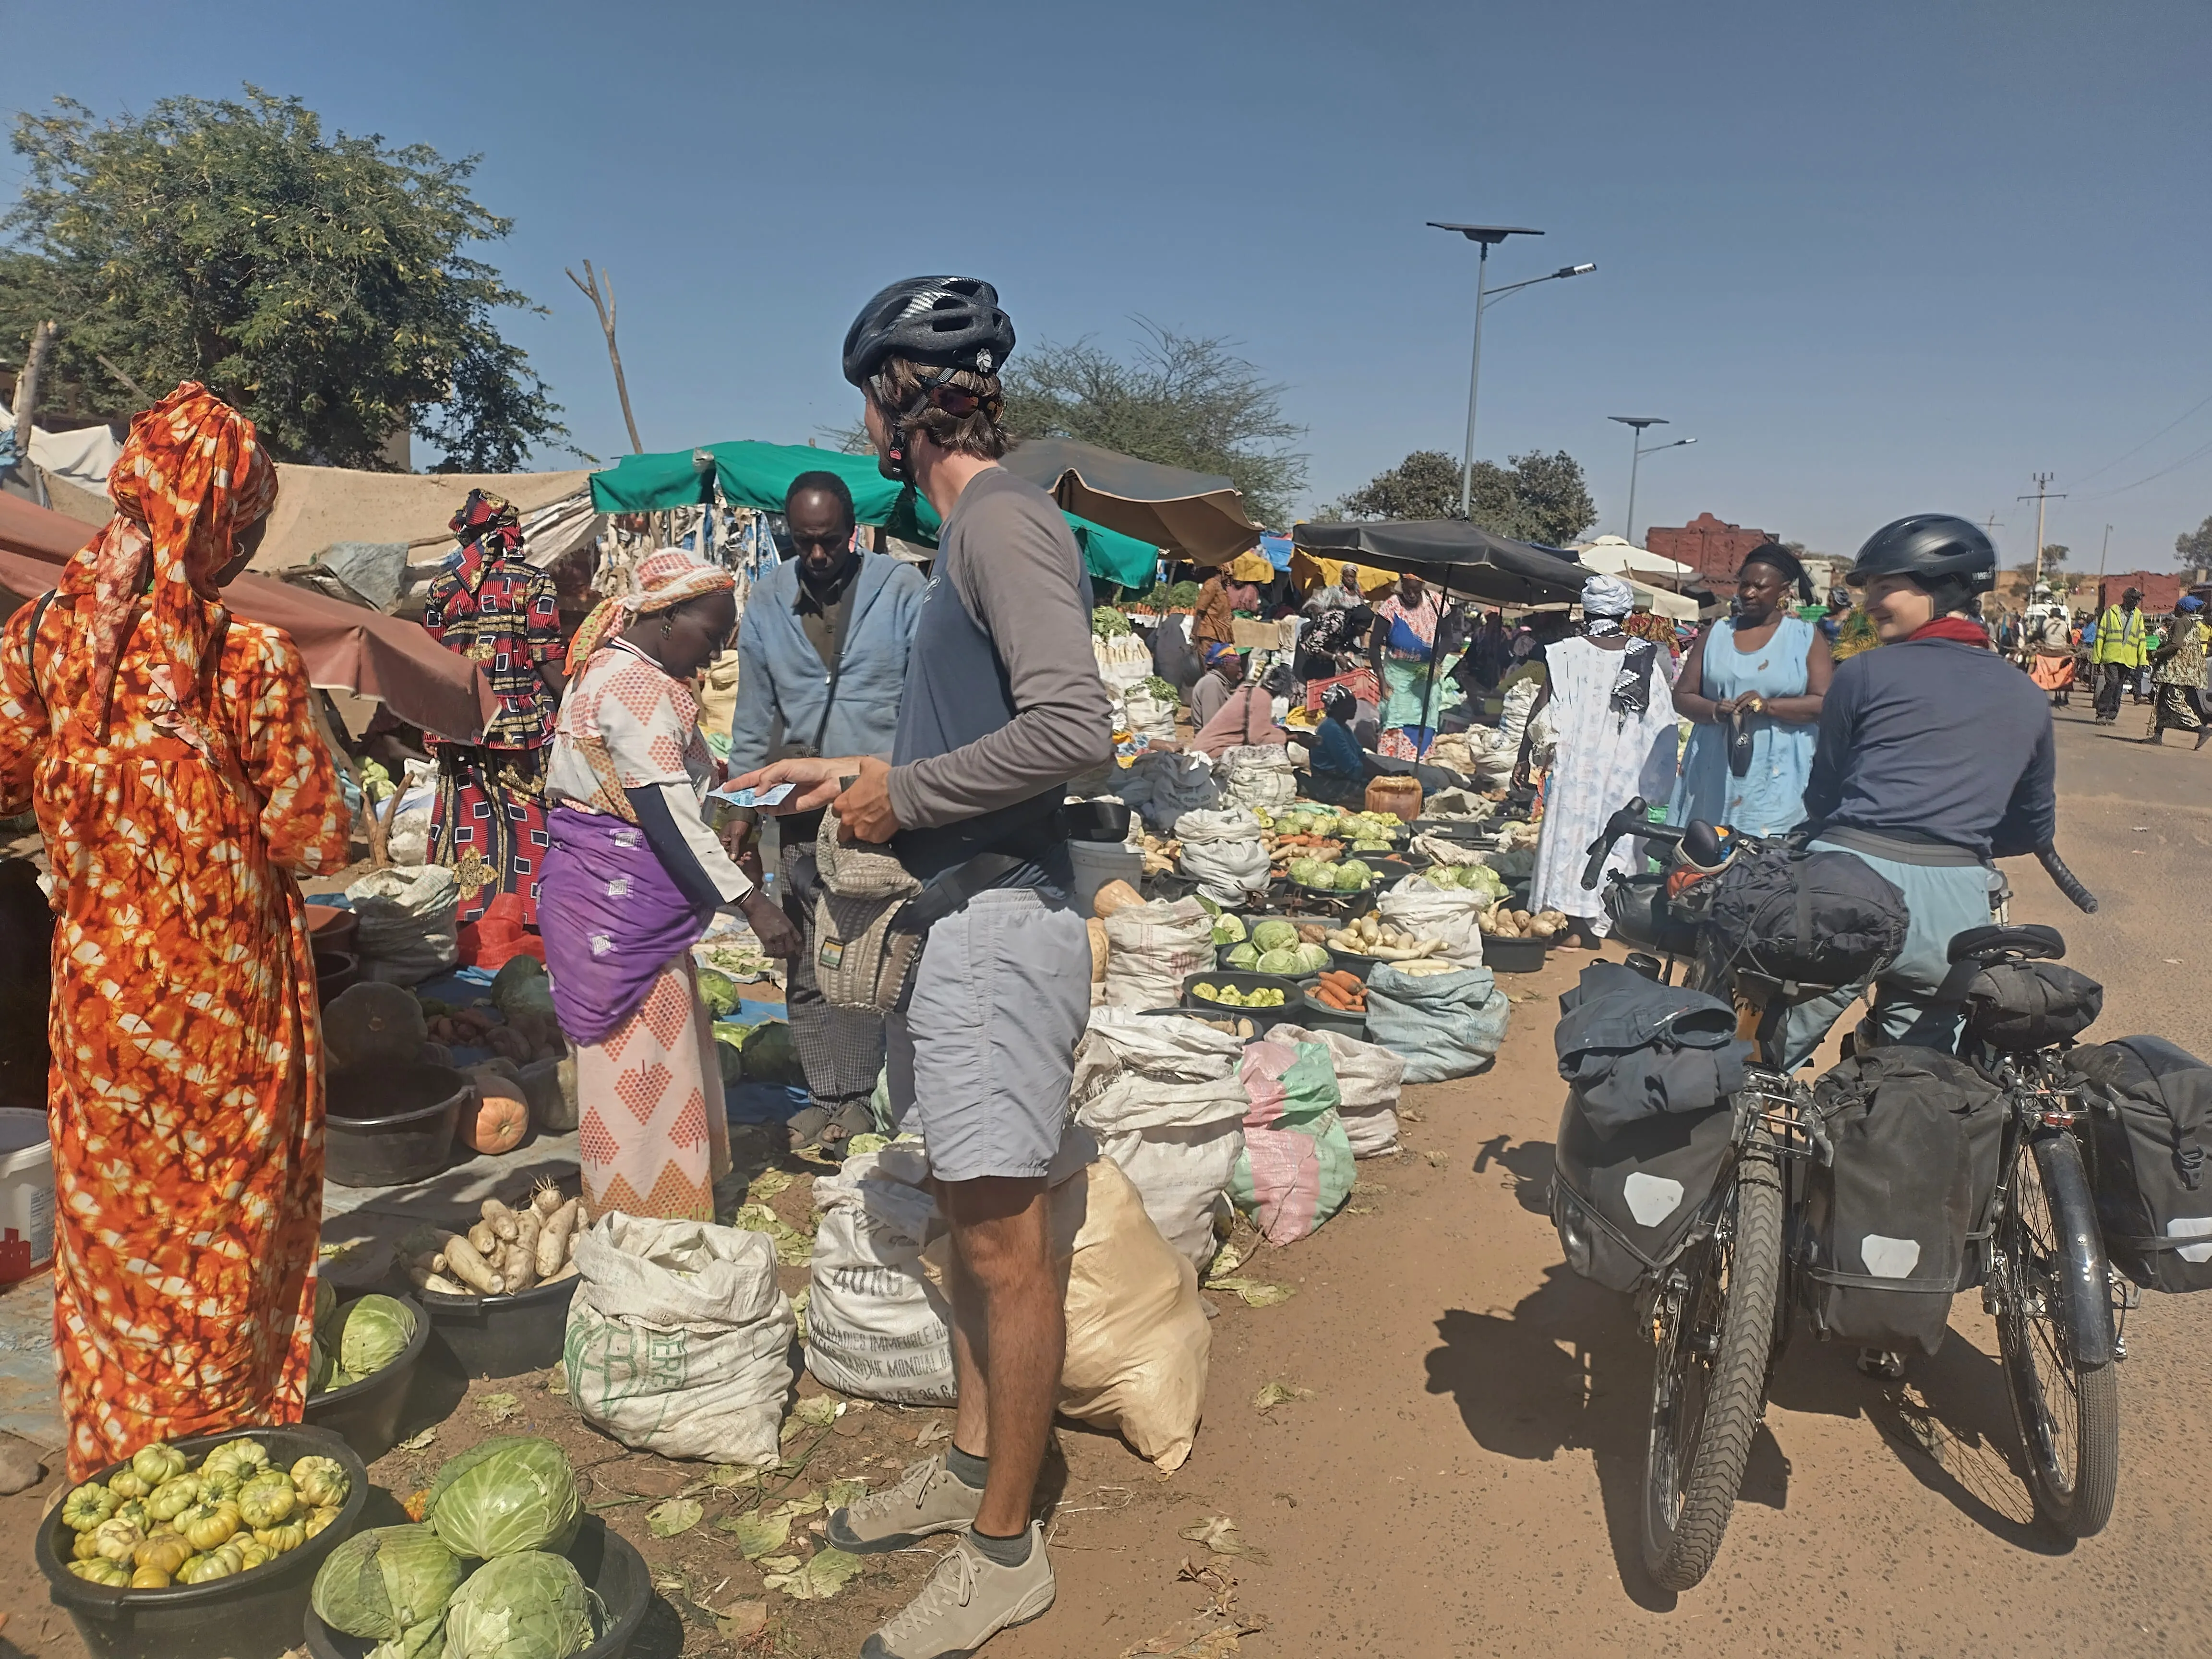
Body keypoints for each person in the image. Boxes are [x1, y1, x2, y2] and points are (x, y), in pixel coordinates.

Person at [739, 276, 1112, 1659]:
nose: (860, 425)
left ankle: (1005, 1551)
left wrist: (906, 793)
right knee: (969, 1227)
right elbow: (963, 743)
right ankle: (966, 1468)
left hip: (1006, 923)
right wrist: (841, 773)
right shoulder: (969, 530)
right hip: (966, 917)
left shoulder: (1002, 521)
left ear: (901, 402)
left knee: (1006, 1251)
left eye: (867, 402)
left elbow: (1075, 721)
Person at [0, 384, 351, 1479]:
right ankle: (225, 1423)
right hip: (226, 1001)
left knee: (117, 1218)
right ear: (225, 515)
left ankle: (129, 1437)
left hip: (104, 988)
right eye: (247, 521)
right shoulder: (248, 655)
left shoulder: (39, 634)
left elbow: (8, 772)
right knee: (229, 1208)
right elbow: (313, 833)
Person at [537, 551, 802, 1221]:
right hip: (621, 896)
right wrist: (754, 906)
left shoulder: (608, 667)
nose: (712, 657)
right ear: (667, 618)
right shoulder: (638, 687)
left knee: (645, 1044)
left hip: (599, 892)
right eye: (709, 637)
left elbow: (673, 791)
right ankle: (650, 1211)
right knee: (645, 1050)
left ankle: (649, 1195)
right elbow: (666, 815)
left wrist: (737, 809)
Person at [1779, 516, 2055, 1070]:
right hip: (1956, 911)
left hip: (1847, 889)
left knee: (1764, 1056)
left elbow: (1824, 794)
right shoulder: (2028, 695)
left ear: (1943, 588)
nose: (1870, 602)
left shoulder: (1863, 674)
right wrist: (1950, 834)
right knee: (1921, 1084)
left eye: (1885, 587)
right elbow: (2031, 827)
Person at [725, 471, 926, 1152]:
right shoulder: (768, 597)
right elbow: (755, 715)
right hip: (800, 810)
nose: (817, 557)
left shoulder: (900, 591)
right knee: (808, 959)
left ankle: (869, 1097)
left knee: (873, 959)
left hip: (881, 803)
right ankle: (825, 1095)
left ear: (855, 534)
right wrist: (742, 810)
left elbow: (928, 698)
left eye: (830, 542)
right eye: (803, 542)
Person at [419, 489, 565, 935]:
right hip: (519, 722)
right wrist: (576, 704)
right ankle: (529, 917)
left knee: (466, 818)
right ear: (507, 533)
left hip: (458, 724)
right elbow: (546, 656)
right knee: (528, 816)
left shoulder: (441, 589)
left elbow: (430, 660)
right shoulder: (534, 581)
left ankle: (466, 917)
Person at [1523, 576, 1683, 945]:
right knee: (1616, 837)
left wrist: (1524, 759)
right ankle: (1605, 919)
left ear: (1586, 610)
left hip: (1574, 768)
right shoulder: (1643, 656)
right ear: (1626, 613)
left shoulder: (1562, 653)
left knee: (1569, 835)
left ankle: (1568, 921)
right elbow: (1663, 724)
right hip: (1624, 768)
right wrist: (1655, 785)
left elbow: (1542, 708)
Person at [1670, 543, 1832, 836]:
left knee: (1767, 858)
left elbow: (1824, 703)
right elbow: (1682, 697)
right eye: (1744, 584)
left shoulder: (1806, 638)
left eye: (1759, 587)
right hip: (1716, 767)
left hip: (1778, 770)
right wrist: (1714, 711)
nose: (1748, 593)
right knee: (1708, 854)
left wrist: (1770, 707)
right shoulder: (1715, 634)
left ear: (1784, 591)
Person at [1369, 573, 1467, 758]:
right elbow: (1374, 646)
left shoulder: (1437, 603)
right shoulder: (1391, 606)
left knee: (1424, 723)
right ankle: (1392, 769)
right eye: (1407, 590)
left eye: (1416, 590)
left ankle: (1419, 768)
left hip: (1425, 678)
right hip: (1396, 678)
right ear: (1401, 585)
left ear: (1423, 586)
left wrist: (1436, 663)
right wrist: (1382, 680)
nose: (1411, 595)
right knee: (1394, 721)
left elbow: (1447, 638)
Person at [2148, 594, 2210, 748]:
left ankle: (2202, 730)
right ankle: (2157, 735)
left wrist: (2158, 653)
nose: (2174, 609)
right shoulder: (2193, 624)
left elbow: (2176, 645)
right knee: (2161, 702)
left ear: (2182, 608)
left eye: (2177, 607)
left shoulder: (2181, 623)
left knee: (2175, 702)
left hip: (2176, 673)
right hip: (2183, 672)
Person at [1300, 682, 1370, 803]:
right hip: (1329, 786)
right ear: (1336, 707)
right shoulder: (1330, 728)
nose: (1354, 707)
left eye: (1354, 703)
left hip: (1343, 780)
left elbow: (1360, 756)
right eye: (1349, 704)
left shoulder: (1344, 728)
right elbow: (1351, 767)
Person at [2091, 587, 2150, 724]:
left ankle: (2112, 714)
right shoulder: (2111, 613)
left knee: (2119, 687)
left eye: (2138, 600)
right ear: (2127, 599)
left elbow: (2141, 639)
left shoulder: (2138, 616)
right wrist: (2097, 659)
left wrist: (2143, 661)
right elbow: (2101, 636)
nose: (2137, 602)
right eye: (2134, 599)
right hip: (2111, 655)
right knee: (2112, 683)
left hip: (2128, 658)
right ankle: (2102, 713)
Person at [1191, 553, 1268, 652]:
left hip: (1220, 635)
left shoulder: (1223, 587)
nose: (1231, 578)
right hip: (1209, 634)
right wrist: (1195, 635)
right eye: (1229, 575)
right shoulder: (1211, 584)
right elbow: (1200, 610)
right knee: (1207, 664)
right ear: (1223, 573)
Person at [1188, 641, 1246, 728]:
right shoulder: (1212, 683)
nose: (1240, 671)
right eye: (1237, 665)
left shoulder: (1219, 683)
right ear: (1225, 665)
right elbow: (1211, 726)